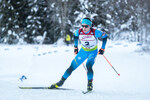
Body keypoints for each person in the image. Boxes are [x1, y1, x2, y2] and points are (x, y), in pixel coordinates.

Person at [49, 17, 108, 92]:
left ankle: (90, 84)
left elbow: (105, 36)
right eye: (82, 26)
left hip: (92, 52)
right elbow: (75, 36)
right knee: (71, 67)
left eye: (86, 26)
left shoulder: (95, 32)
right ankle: (61, 82)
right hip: (83, 52)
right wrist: (75, 47)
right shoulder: (79, 32)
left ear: (90, 26)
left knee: (88, 66)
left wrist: (102, 48)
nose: (84, 28)